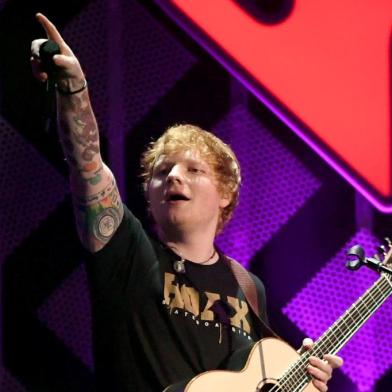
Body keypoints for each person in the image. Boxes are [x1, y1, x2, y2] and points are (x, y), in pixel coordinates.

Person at [31, 13, 343, 392]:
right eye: (162, 172)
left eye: (194, 170)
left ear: (226, 193)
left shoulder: (248, 287)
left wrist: (304, 380)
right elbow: (87, 163)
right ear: (150, 193)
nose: (175, 176)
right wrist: (75, 91)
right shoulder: (126, 250)